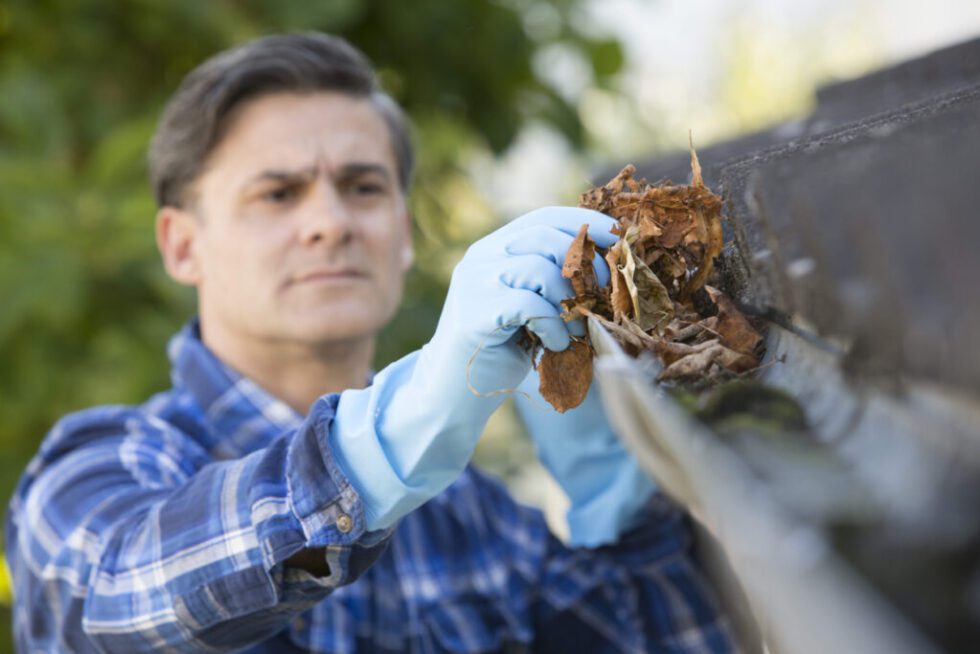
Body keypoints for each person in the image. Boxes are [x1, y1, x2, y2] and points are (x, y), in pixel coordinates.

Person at [5, 32, 735, 653]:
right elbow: (111, 593)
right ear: (181, 244)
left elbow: (666, 635)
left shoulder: (475, 520)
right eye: (277, 193)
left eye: (363, 187)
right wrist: (389, 441)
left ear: (405, 235)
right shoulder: (100, 471)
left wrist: (620, 501)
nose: (330, 223)